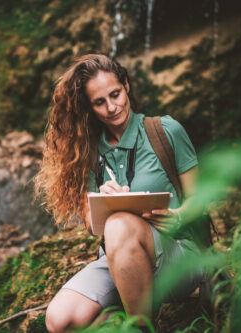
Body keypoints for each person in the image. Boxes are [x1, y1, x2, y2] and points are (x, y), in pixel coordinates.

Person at [34, 54, 204, 332]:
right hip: (120, 262)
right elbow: (91, 225)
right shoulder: (87, 153)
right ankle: (124, 314)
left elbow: (200, 199)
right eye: (100, 102)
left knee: (119, 225)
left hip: (179, 257)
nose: (112, 107)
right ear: (89, 107)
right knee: (59, 321)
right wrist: (104, 200)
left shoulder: (165, 130)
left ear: (126, 85)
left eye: (115, 94)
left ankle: (140, 327)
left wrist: (179, 217)